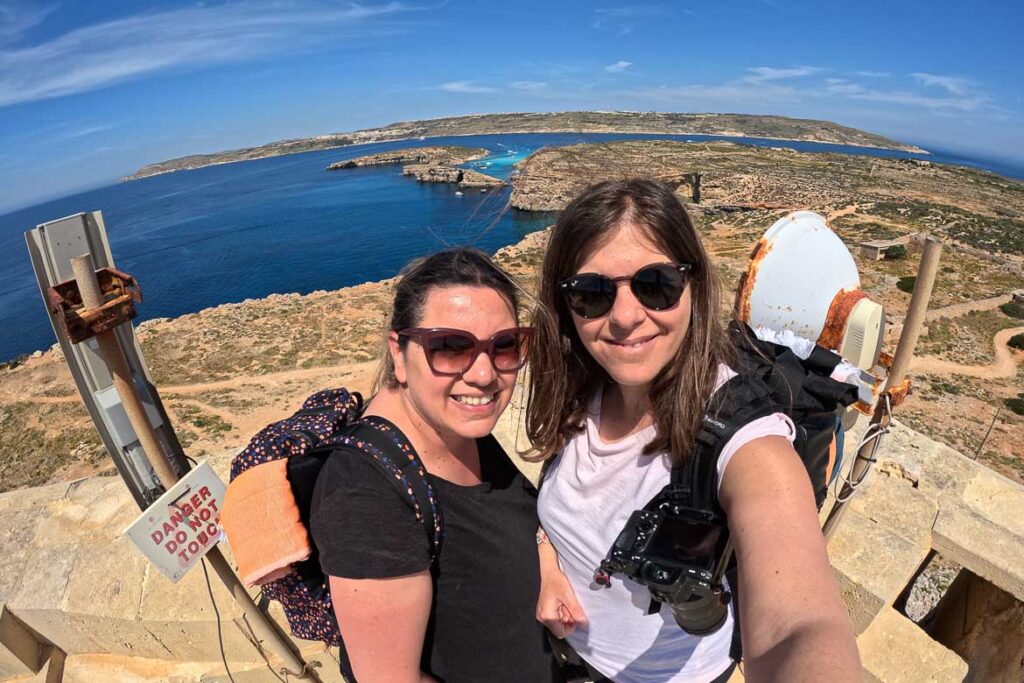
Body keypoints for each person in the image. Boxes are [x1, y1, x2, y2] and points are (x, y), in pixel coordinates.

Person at [525, 179, 861, 682]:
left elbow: (801, 627)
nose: (624, 318)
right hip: (569, 658)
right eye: (592, 294)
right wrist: (546, 555)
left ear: (694, 286)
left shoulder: (746, 440)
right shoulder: (582, 383)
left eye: (655, 284)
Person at [309, 247, 557, 682]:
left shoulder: (456, 428)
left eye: (504, 345)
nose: (484, 374)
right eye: (450, 347)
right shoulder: (363, 497)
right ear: (399, 354)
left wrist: (546, 556)